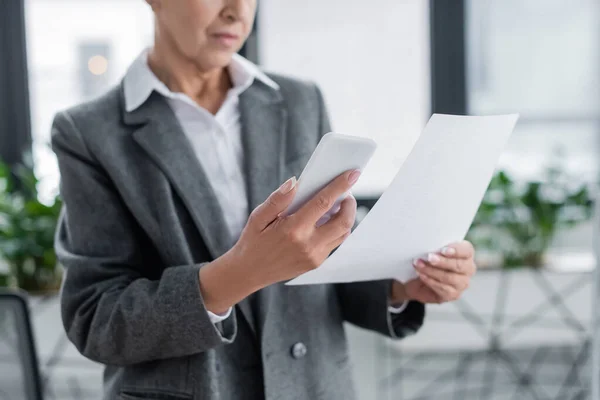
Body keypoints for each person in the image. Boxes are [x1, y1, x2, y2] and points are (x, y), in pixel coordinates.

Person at [52, 1, 477, 399]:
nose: (237, 12)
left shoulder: (298, 100)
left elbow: (325, 258)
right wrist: (238, 274)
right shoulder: (89, 133)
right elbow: (96, 318)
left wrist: (400, 284)